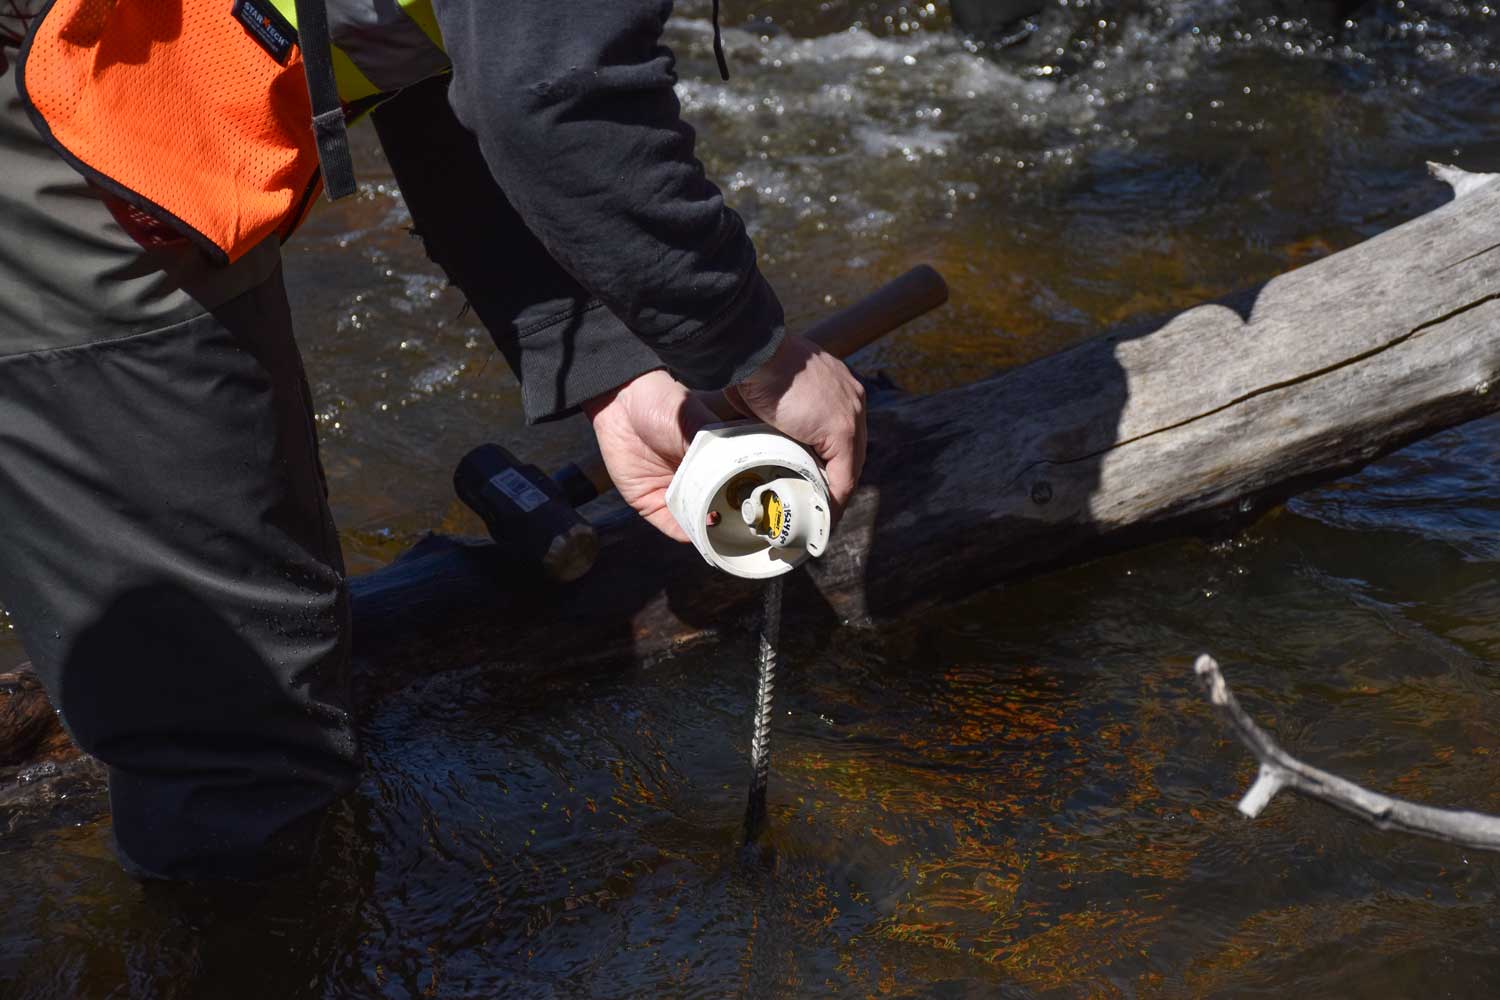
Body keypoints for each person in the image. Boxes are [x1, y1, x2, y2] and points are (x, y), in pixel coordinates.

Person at [0, 0, 866, 880]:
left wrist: (613, 358)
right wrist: (757, 352)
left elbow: (444, 57)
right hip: (64, 88)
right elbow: (545, 94)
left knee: (258, 667)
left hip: (152, 87)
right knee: (236, 742)